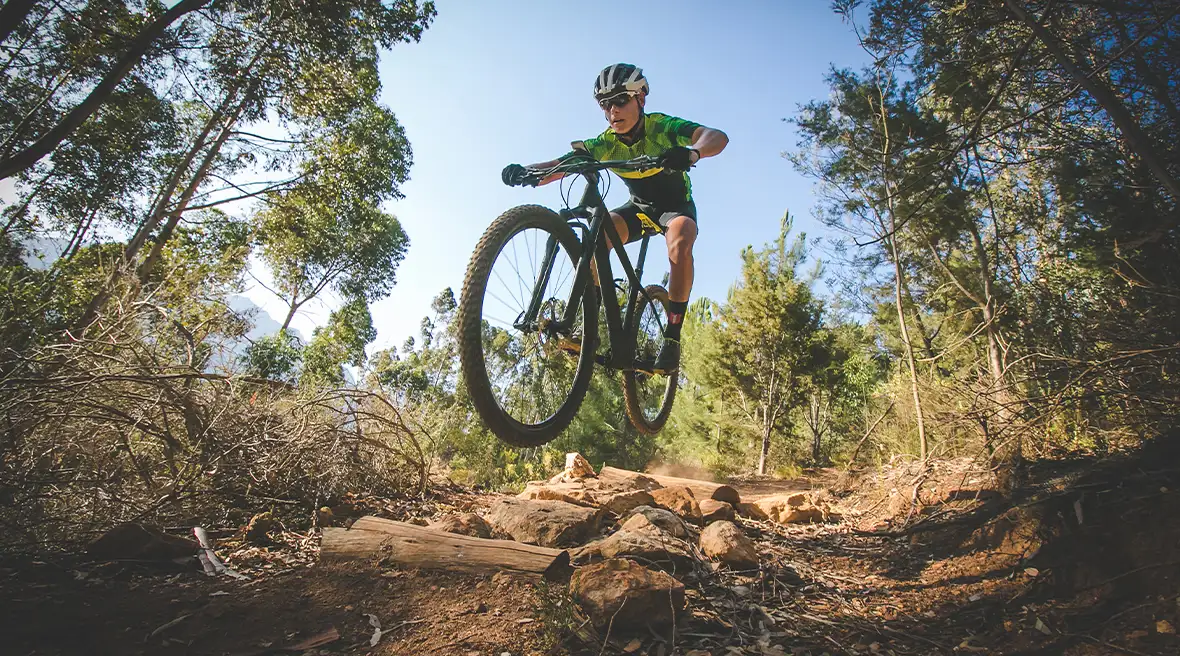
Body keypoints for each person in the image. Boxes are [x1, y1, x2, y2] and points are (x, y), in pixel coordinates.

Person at [501, 63, 728, 373]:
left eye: (620, 100)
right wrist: (529, 172)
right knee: (597, 239)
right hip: (639, 207)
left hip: (675, 208)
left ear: (641, 99)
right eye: (604, 104)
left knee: (680, 240)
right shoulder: (605, 142)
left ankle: (672, 337)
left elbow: (715, 136)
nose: (612, 111)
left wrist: (692, 153)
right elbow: (564, 164)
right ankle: (588, 325)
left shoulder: (662, 127)